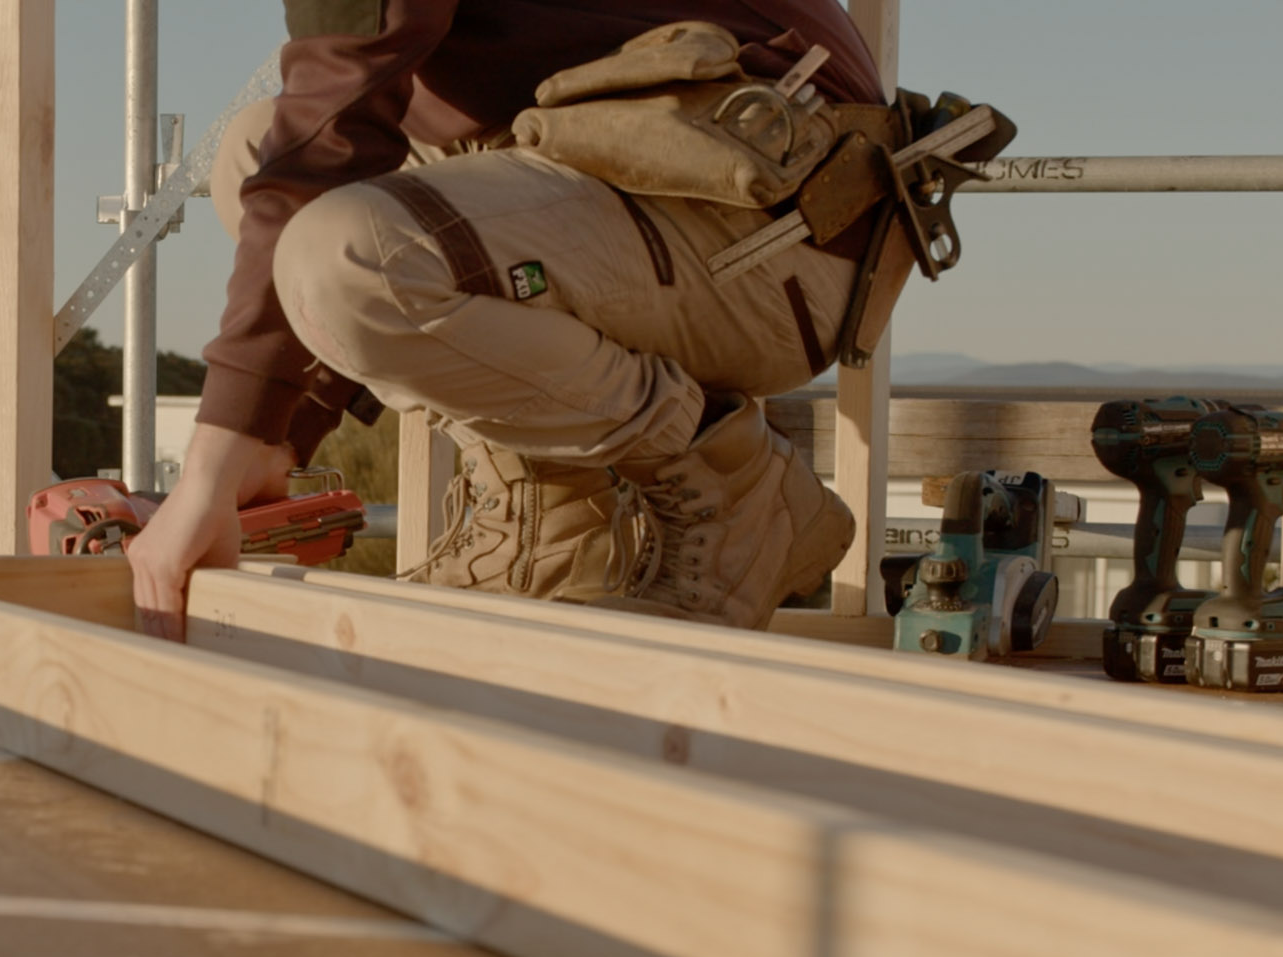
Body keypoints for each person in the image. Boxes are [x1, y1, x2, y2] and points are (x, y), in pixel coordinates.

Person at [126, 1, 901, 641]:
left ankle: (732, 483)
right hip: (667, 192)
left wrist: (211, 472)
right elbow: (314, 136)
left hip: (777, 234)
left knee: (351, 253)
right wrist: (277, 437)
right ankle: (557, 526)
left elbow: (326, 142)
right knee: (254, 144)